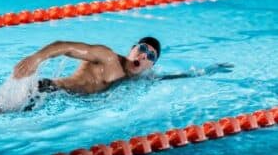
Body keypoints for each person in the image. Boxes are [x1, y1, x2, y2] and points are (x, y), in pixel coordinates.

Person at [13, 37, 233, 110]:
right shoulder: (107, 57)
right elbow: (66, 46)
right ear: (132, 49)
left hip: (64, 102)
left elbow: (174, 77)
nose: (144, 56)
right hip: (49, 90)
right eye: (143, 49)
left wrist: (209, 71)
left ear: (151, 66)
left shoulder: (143, 77)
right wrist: (37, 58)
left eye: (151, 56)